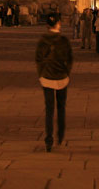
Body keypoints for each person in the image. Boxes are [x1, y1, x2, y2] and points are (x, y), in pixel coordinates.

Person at [35, 12, 73, 152]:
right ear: (59, 23)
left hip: (46, 78)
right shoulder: (63, 40)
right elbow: (70, 59)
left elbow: (38, 60)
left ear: (46, 25)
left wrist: (41, 75)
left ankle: (49, 140)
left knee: (49, 111)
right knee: (61, 108)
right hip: (62, 77)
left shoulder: (42, 41)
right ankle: (60, 136)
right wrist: (67, 73)